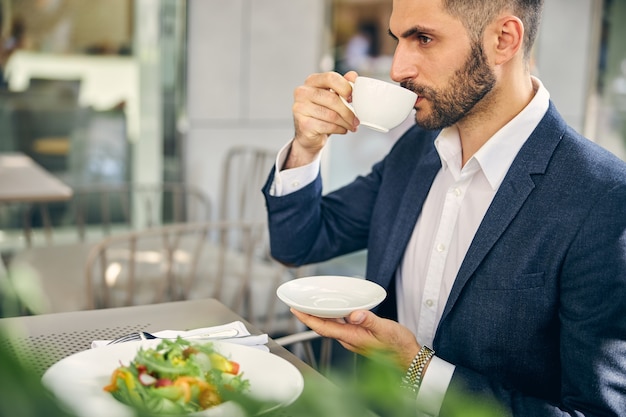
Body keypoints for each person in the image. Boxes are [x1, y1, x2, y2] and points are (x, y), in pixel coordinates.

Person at [262, 0, 626, 415]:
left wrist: (416, 367)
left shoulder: (605, 199)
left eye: (424, 38)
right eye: (398, 39)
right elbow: (298, 242)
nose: (398, 69)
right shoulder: (416, 150)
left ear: (503, 40)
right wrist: (306, 147)